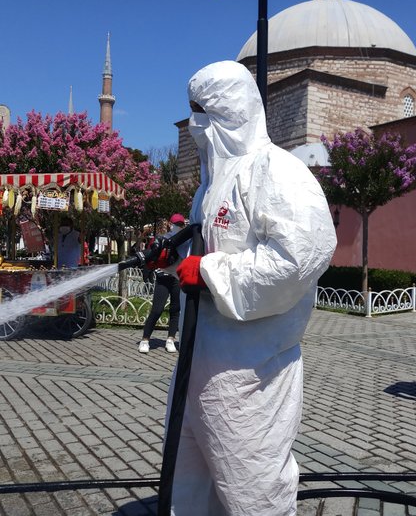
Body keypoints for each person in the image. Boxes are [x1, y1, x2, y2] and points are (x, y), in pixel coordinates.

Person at [170, 61, 336, 515]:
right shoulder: (208, 186)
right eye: (190, 111)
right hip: (197, 362)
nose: (197, 123)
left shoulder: (276, 170)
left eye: (203, 110)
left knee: (251, 487)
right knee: (189, 480)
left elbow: (300, 257)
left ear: (232, 109)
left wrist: (209, 272)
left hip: (250, 373)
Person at [138, 214, 185, 354]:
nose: (179, 227)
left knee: (175, 310)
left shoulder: (186, 240)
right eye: (176, 224)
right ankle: (145, 339)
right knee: (157, 309)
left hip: (177, 278)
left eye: (181, 224)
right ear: (170, 224)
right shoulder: (163, 238)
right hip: (163, 276)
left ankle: (171, 339)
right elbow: (152, 255)